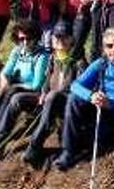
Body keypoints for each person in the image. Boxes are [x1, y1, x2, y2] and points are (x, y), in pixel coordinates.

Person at [59, 28, 114, 175]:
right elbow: (75, 85)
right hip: (101, 109)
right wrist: (91, 96)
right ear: (104, 48)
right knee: (74, 99)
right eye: (109, 46)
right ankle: (68, 151)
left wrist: (112, 103)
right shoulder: (101, 63)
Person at [0, 20, 50, 152]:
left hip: (37, 94)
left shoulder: (42, 56)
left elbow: (37, 84)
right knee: (6, 92)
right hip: (16, 90)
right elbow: (6, 71)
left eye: (29, 38)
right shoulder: (17, 51)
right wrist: (4, 80)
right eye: (21, 38)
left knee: (14, 95)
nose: (24, 42)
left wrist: (15, 85)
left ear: (35, 38)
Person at [22, 23, 87, 167]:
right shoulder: (53, 58)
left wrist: (53, 94)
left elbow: (80, 90)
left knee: (53, 96)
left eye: (64, 37)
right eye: (57, 37)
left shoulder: (79, 61)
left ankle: (35, 145)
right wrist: (44, 92)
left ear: (72, 39)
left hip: (69, 105)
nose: (60, 40)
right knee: (42, 97)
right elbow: (47, 79)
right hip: (51, 102)